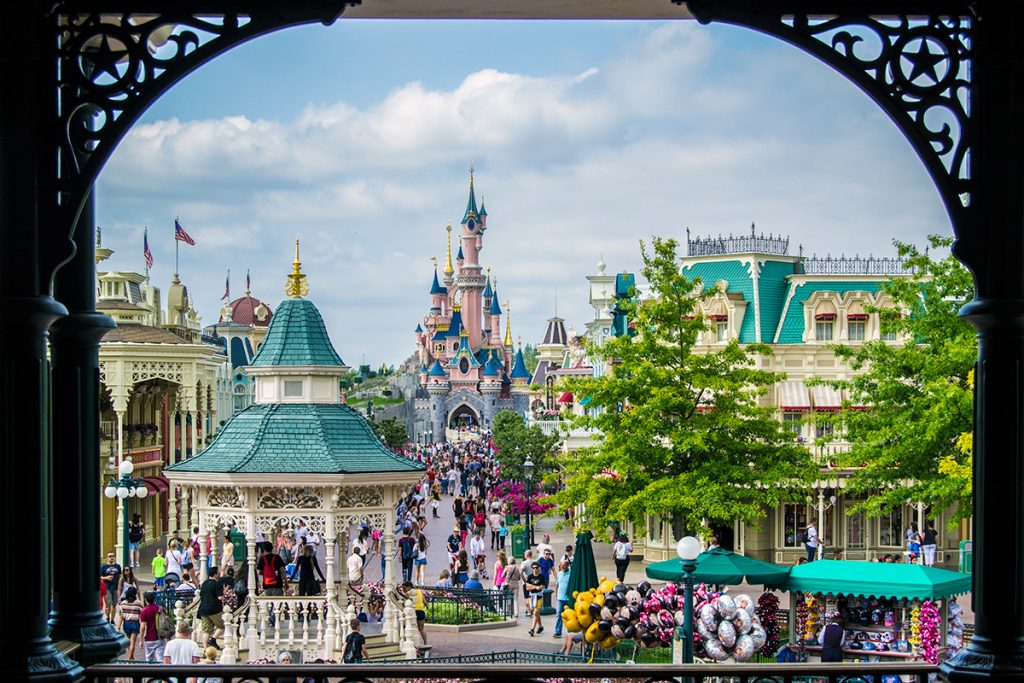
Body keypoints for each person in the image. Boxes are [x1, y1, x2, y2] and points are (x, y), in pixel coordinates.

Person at [197, 565, 225, 649]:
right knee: (221, 626)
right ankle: (213, 639)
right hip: (214, 610)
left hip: (203, 609)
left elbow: (201, 594)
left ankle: (205, 649)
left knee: (206, 630)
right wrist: (225, 591)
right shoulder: (216, 584)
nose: (219, 573)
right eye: (218, 572)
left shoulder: (204, 583)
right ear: (215, 574)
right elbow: (220, 597)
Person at [117, 585, 144, 659]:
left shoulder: (123, 603)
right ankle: (129, 658)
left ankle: (131, 657)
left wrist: (119, 626)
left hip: (126, 624)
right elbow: (142, 614)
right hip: (135, 623)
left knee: (129, 642)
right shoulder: (138, 603)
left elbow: (121, 616)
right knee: (132, 642)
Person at [400, 580, 429, 645]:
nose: (404, 590)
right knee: (421, 629)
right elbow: (425, 602)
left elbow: (402, 599)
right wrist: (426, 607)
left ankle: (413, 643)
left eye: (404, 588)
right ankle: (426, 643)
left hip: (414, 612)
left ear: (409, 587)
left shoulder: (408, 593)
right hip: (421, 612)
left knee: (411, 628)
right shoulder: (419, 591)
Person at [139, 591, 165, 662]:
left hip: (148, 638)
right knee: (160, 659)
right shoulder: (160, 609)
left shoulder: (144, 611)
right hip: (160, 636)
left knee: (149, 659)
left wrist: (140, 640)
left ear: (145, 600)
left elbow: (143, 627)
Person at [100, 551, 122, 623]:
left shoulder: (118, 566)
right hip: (107, 588)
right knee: (108, 604)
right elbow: (100, 577)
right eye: (110, 556)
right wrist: (106, 578)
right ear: (107, 558)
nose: (111, 557)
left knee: (114, 604)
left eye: (113, 556)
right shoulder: (103, 567)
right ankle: (107, 617)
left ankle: (112, 619)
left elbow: (120, 576)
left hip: (115, 588)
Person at [525, 562, 545, 636]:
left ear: (538, 568)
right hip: (532, 596)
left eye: (536, 567)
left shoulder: (541, 577)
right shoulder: (530, 577)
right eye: (533, 568)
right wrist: (535, 587)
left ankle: (532, 629)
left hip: (539, 596)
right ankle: (540, 626)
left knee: (535, 613)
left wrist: (532, 586)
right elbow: (527, 587)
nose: (535, 569)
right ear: (532, 568)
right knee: (536, 613)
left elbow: (542, 587)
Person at [553, 560, 571, 638]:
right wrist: (556, 594)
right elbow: (557, 584)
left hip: (568, 598)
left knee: (569, 615)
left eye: (564, 565)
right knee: (559, 615)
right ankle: (557, 631)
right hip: (560, 598)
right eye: (561, 565)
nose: (562, 567)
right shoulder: (559, 574)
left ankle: (570, 631)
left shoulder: (571, 574)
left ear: (568, 566)